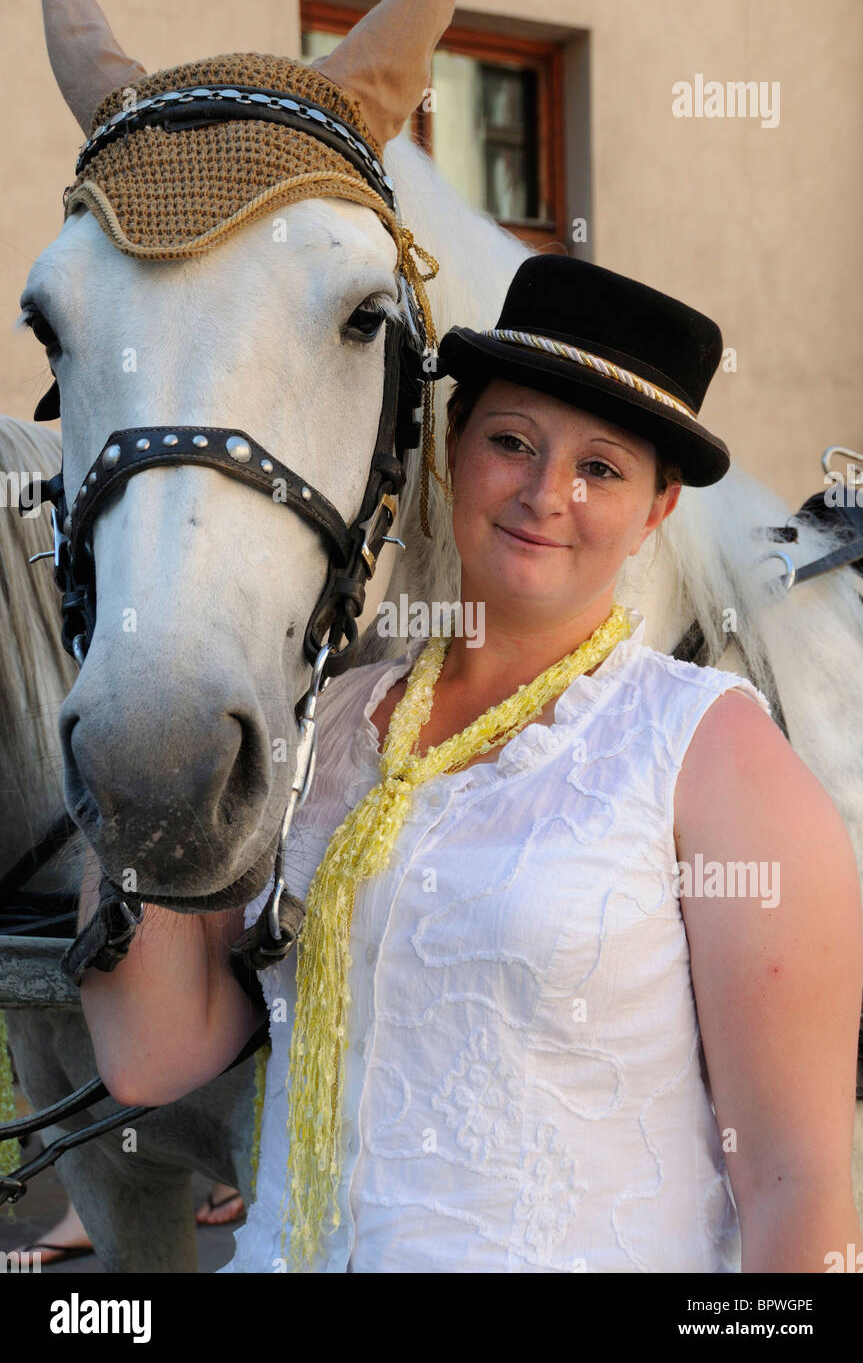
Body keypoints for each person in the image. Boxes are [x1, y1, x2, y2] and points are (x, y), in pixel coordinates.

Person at [79, 255, 863, 1274]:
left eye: (602, 467)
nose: (546, 492)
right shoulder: (327, 724)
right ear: (452, 451)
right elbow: (154, 1055)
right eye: (511, 442)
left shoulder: (712, 753)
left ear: (656, 511)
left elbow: (793, 1178)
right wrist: (134, 736)